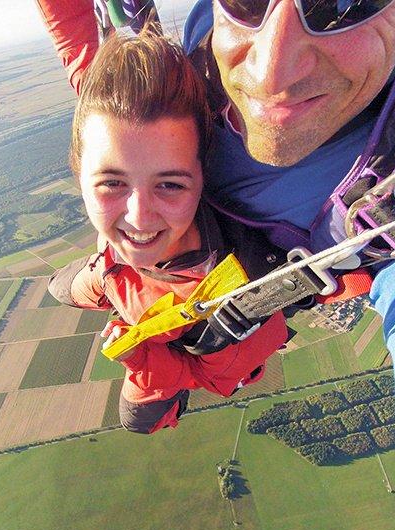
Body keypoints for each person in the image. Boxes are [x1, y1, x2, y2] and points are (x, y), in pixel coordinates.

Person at [37, 0, 395, 530]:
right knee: (90, 278)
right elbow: (85, 49)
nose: (270, 69)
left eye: (342, 4)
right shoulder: (176, 88)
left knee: (142, 397)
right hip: (133, 276)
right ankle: (91, 282)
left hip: (194, 332)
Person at [39, 22, 288, 435]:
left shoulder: (237, 304)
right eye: (112, 183)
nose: (138, 217)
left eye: (169, 185)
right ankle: (101, 278)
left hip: (158, 333)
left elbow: (206, 375)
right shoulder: (108, 121)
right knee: (58, 288)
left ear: (201, 179)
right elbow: (73, 46)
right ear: (78, 175)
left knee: (138, 421)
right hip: (112, 271)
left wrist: (139, 359)